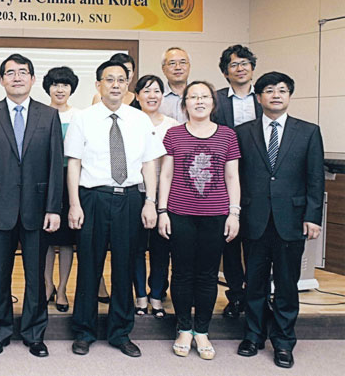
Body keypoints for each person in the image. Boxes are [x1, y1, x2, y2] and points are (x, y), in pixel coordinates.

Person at [65, 61, 163, 358]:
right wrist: (74, 204)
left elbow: (149, 164)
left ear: (127, 86)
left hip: (130, 199)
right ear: (98, 85)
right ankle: (84, 331)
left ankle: (120, 332)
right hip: (93, 198)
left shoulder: (139, 119)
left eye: (121, 79)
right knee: (89, 266)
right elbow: (74, 163)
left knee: (125, 266)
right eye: (110, 79)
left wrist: (150, 202)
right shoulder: (83, 118)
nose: (116, 85)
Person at [0, 54, 63, 358]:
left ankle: (34, 334)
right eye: (10, 73)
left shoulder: (49, 115)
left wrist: (54, 208)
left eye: (23, 72)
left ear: (33, 79)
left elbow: (56, 166)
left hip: (37, 209)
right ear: (1, 80)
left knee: (36, 276)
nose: (17, 77)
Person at [235, 72, 324, 369]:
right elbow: (236, 176)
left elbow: (315, 178)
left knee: (287, 285)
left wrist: (313, 216)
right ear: (259, 97)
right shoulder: (242, 132)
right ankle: (253, 336)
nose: (276, 95)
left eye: (282, 90)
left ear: (289, 96)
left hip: (292, 219)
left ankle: (284, 342)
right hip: (254, 218)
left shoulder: (308, 131)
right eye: (270, 90)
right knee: (254, 282)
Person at [157, 80, 241, 360]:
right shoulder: (173, 134)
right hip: (179, 213)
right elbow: (165, 175)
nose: (199, 101)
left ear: (213, 103)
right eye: (193, 97)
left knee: (207, 275)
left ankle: (202, 330)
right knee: (181, 273)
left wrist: (234, 213)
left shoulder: (228, 135)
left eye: (205, 96)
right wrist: (162, 211)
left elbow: (232, 176)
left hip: (216, 215)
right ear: (185, 104)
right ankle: (183, 328)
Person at [211, 44, 262, 319]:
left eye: (245, 63)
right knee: (230, 241)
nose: (240, 68)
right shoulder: (216, 100)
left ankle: (257, 296)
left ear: (252, 68)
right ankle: (236, 296)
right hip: (224, 176)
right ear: (225, 72)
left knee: (257, 240)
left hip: (258, 179)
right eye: (234, 64)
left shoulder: (264, 96)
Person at [131, 75, 179, 319]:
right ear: (137, 96)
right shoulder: (129, 121)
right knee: (136, 248)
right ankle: (140, 295)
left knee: (162, 248)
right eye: (146, 91)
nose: (152, 96)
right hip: (134, 193)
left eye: (157, 91)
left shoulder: (172, 125)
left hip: (165, 195)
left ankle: (157, 295)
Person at [41, 67, 79, 313]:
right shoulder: (41, 115)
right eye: (55, 84)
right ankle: (47, 285)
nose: (60, 89)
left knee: (66, 241)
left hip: (71, 182)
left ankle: (63, 288)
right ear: (48, 88)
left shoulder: (79, 116)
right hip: (44, 181)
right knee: (45, 239)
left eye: (65, 84)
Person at [158, 47, 191, 123]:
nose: (178, 67)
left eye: (183, 62)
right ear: (163, 69)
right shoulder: (156, 97)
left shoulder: (200, 96)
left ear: (189, 66)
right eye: (172, 63)